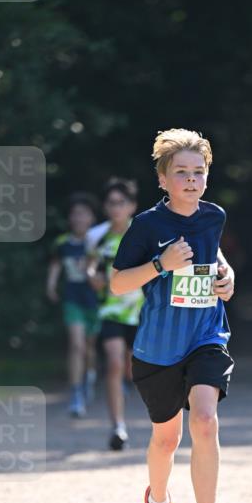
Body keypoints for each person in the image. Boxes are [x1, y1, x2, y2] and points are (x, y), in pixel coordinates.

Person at [110, 128, 236, 503]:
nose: (191, 179)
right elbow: (117, 281)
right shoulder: (147, 225)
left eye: (198, 172)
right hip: (158, 347)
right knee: (167, 439)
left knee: (205, 420)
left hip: (206, 334)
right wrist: (161, 264)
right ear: (162, 179)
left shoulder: (213, 215)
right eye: (180, 172)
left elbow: (215, 255)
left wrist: (227, 276)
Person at [87, 179, 143, 450]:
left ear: (132, 206)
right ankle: (118, 425)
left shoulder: (143, 232)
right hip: (110, 310)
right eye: (111, 203)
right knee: (113, 363)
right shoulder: (97, 236)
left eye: (121, 202)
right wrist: (93, 278)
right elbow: (91, 267)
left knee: (134, 368)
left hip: (142, 311)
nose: (116, 208)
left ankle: (129, 388)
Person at [46, 192, 100, 417]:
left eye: (83, 214)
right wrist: (50, 285)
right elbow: (56, 265)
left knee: (88, 347)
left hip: (95, 301)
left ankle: (90, 375)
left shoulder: (98, 242)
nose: (79, 218)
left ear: (91, 218)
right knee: (76, 345)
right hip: (72, 300)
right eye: (75, 214)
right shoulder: (62, 243)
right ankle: (76, 393)